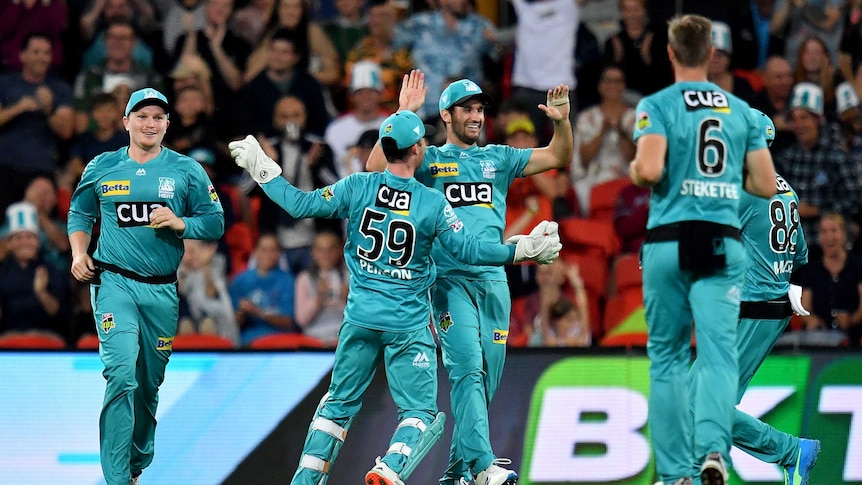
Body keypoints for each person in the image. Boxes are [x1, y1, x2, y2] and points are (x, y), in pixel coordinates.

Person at [227, 109, 561, 485]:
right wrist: (518, 251)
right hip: (407, 323)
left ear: (386, 150)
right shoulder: (431, 203)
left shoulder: (357, 186)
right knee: (422, 414)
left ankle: (305, 481)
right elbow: (468, 249)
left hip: (360, 319)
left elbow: (300, 204)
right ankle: (390, 468)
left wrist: (264, 170)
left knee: (335, 408)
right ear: (418, 149)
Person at [366, 71, 573, 484]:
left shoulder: (498, 157)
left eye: (480, 109)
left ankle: (458, 476)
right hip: (449, 281)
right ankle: (482, 466)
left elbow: (557, 157)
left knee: (486, 378)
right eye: (468, 109)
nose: (476, 116)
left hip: (495, 280)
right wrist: (404, 112)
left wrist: (562, 122)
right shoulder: (429, 159)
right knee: (467, 370)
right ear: (446, 114)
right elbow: (376, 171)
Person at [628, 14, 777, 485]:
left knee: (669, 359)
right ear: (711, 54)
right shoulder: (741, 111)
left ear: (670, 53)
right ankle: (714, 452)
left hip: (670, 239)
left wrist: (636, 170)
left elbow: (649, 170)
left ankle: (675, 474)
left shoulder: (656, 104)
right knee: (717, 356)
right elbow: (767, 184)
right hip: (720, 240)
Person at [67, 87, 225, 485]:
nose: (150, 123)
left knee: (149, 383)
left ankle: (136, 464)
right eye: (142, 116)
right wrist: (78, 253)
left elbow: (216, 222)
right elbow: (79, 213)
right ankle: (116, 479)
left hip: (161, 290)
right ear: (126, 123)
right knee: (121, 374)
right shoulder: (101, 166)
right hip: (113, 282)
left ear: (167, 124)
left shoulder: (187, 170)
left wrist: (180, 223)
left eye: (157, 117)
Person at [687, 109, 820, 484]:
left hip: (750, 311)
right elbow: (801, 255)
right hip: (766, 308)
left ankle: (791, 451)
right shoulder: (785, 189)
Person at [293, 230, 348, 346]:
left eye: (331, 249)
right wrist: (318, 300)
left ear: (339, 251)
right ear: (313, 252)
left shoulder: (349, 277)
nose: (326, 254)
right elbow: (301, 320)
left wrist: (347, 299)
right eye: (321, 250)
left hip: (342, 339)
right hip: (312, 339)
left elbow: (361, 318)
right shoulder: (304, 279)